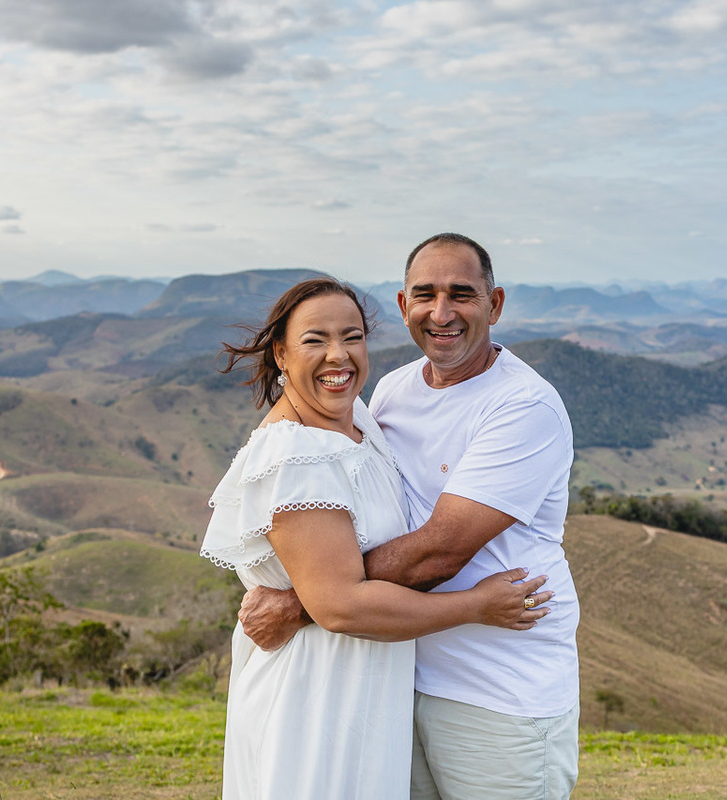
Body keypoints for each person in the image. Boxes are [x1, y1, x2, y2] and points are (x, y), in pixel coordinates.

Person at [239, 234, 581, 799]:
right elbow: (313, 478)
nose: (441, 313)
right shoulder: (392, 391)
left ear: (494, 305)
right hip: (396, 678)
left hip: (497, 690)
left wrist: (302, 603)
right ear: (403, 307)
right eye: (425, 295)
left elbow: (439, 549)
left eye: (462, 295)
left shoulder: (523, 407)